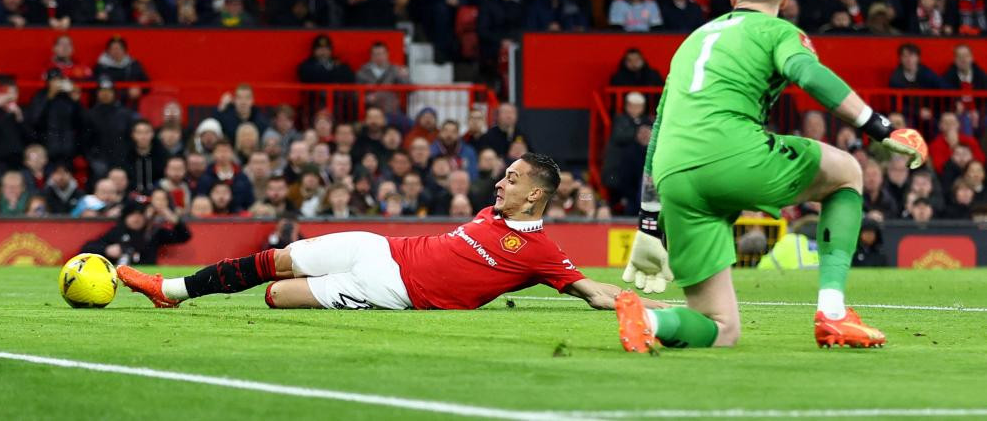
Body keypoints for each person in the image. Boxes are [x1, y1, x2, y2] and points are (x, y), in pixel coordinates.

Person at [616, 0, 925, 352]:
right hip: (733, 153)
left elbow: (656, 133)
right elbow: (809, 74)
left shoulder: (691, 42)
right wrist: (878, 126)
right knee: (848, 171)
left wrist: (649, 222)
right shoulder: (777, 32)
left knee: (722, 328)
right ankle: (832, 313)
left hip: (674, 175)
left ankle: (650, 319)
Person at [117, 153, 665, 311]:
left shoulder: (541, 251)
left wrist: (640, 308)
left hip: (391, 291)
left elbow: (592, 291)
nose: (500, 183)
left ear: (537, 195)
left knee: (276, 298)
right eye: (503, 174)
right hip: (379, 247)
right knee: (277, 258)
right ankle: (170, 291)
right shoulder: (491, 214)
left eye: (512, 179)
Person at [82, 195, 191, 266]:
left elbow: (184, 236)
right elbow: (87, 249)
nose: (137, 218)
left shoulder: (153, 233)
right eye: (132, 214)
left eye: (140, 215)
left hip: (148, 278)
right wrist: (106, 250)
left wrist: (171, 217)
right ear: (125, 217)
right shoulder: (117, 232)